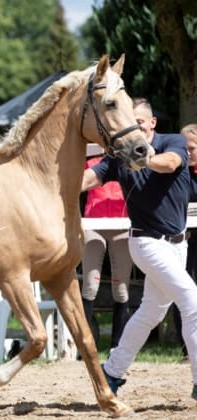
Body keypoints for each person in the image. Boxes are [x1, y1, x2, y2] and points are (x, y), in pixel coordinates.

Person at [82, 98, 197, 400]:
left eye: (140, 121)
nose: (135, 125)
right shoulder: (118, 157)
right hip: (145, 242)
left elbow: (169, 164)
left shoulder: (172, 141)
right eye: (130, 120)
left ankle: (112, 372)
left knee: (151, 312)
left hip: (177, 245)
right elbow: (88, 180)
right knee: (192, 299)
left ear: (152, 123)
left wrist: (137, 155)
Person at [81, 145, 133, 350]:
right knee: (89, 286)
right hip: (94, 225)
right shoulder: (92, 160)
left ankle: (117, 346)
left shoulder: (129, 161)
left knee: (121, 289)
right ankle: (83, 344)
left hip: (121, 225)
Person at [171, 124, 197, 358]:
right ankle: (186, 347)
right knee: (182, 290)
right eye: (184, 148)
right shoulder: (176, 172)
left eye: (192, 148)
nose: (187, 153)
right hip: (182, 239)